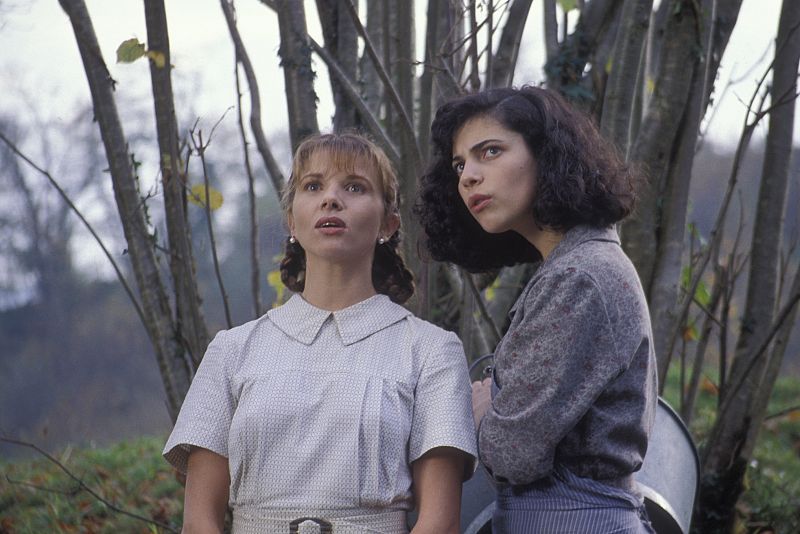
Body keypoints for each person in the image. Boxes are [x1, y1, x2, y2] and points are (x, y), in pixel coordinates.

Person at [164, 133, 477, 534]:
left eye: (355, 187)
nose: (331, 199)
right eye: (313, 186)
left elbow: (440, 523)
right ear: (292, 221)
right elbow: (199, 523)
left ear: (388, 223)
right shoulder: (232, 351)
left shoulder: (431, 351)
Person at [415, 86, 658, 533]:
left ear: (547, 156)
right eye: (459, 164)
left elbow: (513, 454)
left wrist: (481, 408)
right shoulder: (573, 265)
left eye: (490, 151)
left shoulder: (579, 277)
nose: (468, 176)